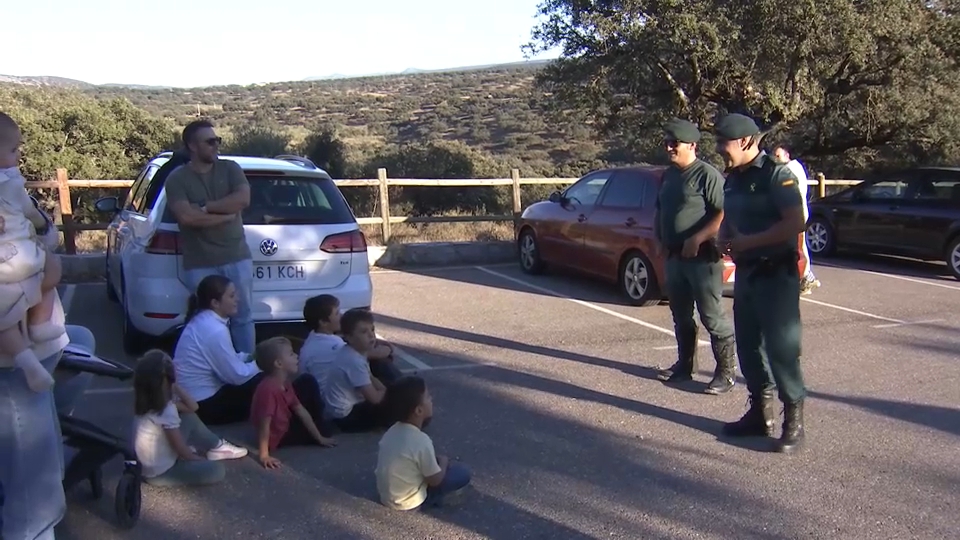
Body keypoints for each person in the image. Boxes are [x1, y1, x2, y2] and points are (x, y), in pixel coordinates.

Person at [713, 113, 808, 454]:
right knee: (749, 346)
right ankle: (759, 414)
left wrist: (748, 243)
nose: (720, 149)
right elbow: (729, 217)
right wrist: (723, 237)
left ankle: (793, 420)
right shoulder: (732, 179)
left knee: (782, 349)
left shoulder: (777, 176)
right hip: (748, 275)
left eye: (724, 143)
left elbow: (795, 222)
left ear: (746, 142)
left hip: (775, 274)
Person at [653, 118, 738, 395]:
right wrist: (660, 239)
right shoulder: (669, 175)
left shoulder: (706, 175)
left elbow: (722, 212)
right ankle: (685, 365)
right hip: (675, 257)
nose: (669, 147)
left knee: (712, 315)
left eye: (674, 143)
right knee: (680, 314)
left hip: (701, 258)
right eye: (667, 142)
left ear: (692, 145)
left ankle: (725, 373)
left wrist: (698, 238)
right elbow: (660, 210)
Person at [164, 119, 255, 354]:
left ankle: (246, 370)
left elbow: (242, 200)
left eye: (218, 140)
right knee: (206, 320)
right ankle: (215, 368)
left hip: (236, 257)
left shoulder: (230, 169)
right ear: (192, 146)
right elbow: (187, 219)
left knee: (242, 317)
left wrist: (204, 207)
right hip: (199, 263)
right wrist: (225, 216)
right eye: (210, 141)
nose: (216, 145)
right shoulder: (177, 179)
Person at [0, 113, 63, 393]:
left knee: (4, 321)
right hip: (24, 258)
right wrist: (43, 224)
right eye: (13, 150)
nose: (17, 155)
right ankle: (40, 323)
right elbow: (32, 215)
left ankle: (26, 361)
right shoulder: (11, 184)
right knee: (51, 266)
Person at [132, 349, 247, 487]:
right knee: (217, 470)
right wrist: (197, 460)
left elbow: (192, 408)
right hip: (161, 473)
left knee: (189, 417)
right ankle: (215, 448)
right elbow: (181, 449)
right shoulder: (166, 410)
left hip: (148, 467)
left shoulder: (147, 401)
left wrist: (174, 387)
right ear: (168, 380)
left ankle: (216, 446)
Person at [173, 274, 263, 425]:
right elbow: (235, 376)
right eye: (232, 296)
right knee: (266, 380)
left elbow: (229, 360)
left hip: (194, 398)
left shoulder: (204, 320)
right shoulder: (214, 329)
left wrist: (248, 358)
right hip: (203, 405)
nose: (237, 299)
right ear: (215, 303)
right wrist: (261, 363)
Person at [376, 376, 470, 511]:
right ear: (418, 411)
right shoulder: (421, 441)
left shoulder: (392, 430)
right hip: (408, 502)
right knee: (462, 472)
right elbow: (435, 480)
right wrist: (443, 462)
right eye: (428, 397)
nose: (431, 399)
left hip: (386, 497)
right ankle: (436, 499)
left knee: (425, 465)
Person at [250, 337, 336, 470]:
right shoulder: (268, 389)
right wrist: (264, 454)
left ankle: (321, 426)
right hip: (279, 436)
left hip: (284, 423)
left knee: (307, 381)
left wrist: (319, 438)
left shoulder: (285, 382)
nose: (296, 356)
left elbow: (300, 410)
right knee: (328, 428)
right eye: (291, 354)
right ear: (279, 363)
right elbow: (264, 423)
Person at [312, 308, 392, 433]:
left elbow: (370, 377)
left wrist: (385, 389)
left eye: (372, 329)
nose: (371, 335)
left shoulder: (355, 351)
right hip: (346, 417)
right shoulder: (353, 360)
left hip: (341, 410)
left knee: (390, 389)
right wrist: (388, 392)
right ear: (349, 337)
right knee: (393, 408)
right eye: (364, 332)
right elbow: (375, 399)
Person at [299, 294, 402, 385]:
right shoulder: (334, 346)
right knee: (379, 363)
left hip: (325, 395)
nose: (341, 316)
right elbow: (377, 353)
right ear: (323, 322)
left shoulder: (314, 339)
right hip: (335, 400)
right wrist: (390, 349)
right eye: (337, 313)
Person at [772, 144, 821, 295]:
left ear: (787, 155)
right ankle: (805, 278)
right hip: (795, 213)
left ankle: (804, 277)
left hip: (794, 214)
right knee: (799, 247)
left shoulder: (790, 169)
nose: (776, 159)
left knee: (795, 247)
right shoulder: (794, 167)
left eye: (778, 156)